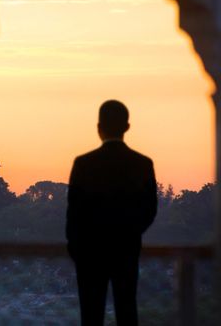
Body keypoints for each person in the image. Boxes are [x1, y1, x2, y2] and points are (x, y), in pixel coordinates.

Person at [66, 100, 157, 325]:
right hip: (126, 251)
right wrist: (129, 232)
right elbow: (149, 210)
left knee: (91, 314)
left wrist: (77, 249)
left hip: (90, 253)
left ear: (99, 127)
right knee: (127, 311)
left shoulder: (84, 164)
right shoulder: (142, 164)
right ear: (127, 127)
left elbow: (74, 213)